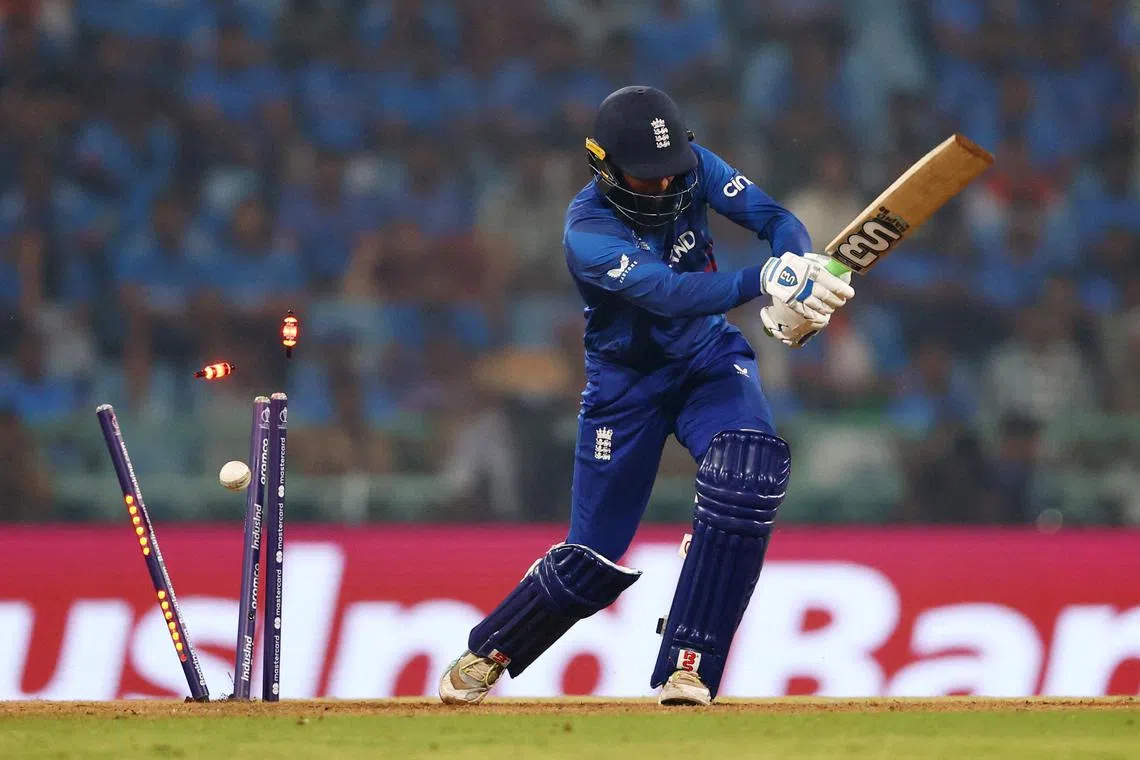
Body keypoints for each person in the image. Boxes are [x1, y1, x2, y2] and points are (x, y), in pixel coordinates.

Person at [438, 86, 854, 706]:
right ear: (603, 166)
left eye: (671, 170)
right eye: (646, 175)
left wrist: (798, 275)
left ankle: (691, 665)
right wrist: (766, 279)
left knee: (747, 474)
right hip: (625, 386)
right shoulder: (588, 232)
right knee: (592, 560)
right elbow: (669, 293)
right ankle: (492, 649)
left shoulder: (693, 167)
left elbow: (774, 219)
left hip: (708, 360)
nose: (663, 186)